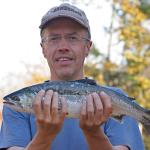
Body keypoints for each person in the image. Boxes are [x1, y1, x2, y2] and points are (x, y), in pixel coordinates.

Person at [0, 3, 145, 150]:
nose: (63, 46)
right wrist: (44, 136)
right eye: (54, 38)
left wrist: (94, 134)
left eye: (73, 38)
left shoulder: (116, 99)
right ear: (43, 49)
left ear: (88, 47)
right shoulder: (14, 109)